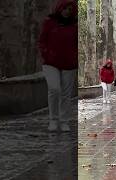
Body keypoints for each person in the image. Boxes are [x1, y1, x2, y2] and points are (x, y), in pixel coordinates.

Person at [38, 0, 77, 132]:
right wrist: (46, 53)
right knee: (54, 89)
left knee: (66, 94)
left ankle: (64, 121)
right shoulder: (50, 22)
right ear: (60, 8)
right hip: (50, 62)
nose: (67, 11)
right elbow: (42, 40)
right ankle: (53, 120)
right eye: (65, 8)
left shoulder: (74, 26)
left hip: (69, 63)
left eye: (70, 9)